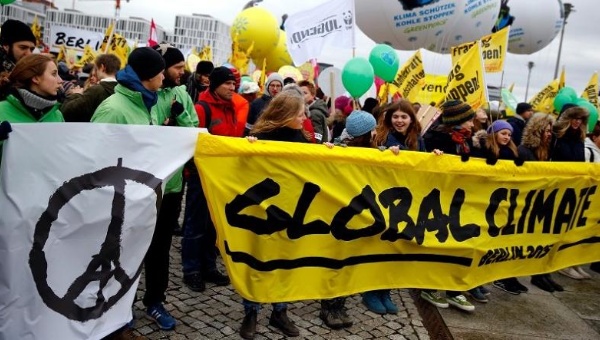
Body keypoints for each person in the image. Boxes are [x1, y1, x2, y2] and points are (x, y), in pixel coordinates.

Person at [91, 47, 170, 336]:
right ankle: (104, 322)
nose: (164, 75)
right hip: (114, 204)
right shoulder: (114, 108)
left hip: (137, 202)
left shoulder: (146, 103)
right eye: (160, 71)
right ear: (148, 75)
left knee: (131, 261)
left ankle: (121, 316)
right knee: (111, 264)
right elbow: (94, 159)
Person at [239, 88, 311, 339]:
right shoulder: (259, 136)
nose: (304, 118)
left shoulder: (303, 138)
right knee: (257, 262)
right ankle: (251, 312)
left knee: (286, 262)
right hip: (263, 212)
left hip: (291, 211)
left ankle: (280, 311)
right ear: (286, 114)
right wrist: (247, 149)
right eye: (301, 114)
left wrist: (326, 153)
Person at [181, 66, 244, 293]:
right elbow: (193, 145)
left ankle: (209, 266)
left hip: (222, 177)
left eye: (233, 83)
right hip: (201, 177)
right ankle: (191, 270)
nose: (232, 87)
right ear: (216, 84)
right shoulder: (202, 108)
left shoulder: (232, 108)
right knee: (195, 224)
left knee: (214, 225)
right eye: (227, 83)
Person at [422, 100, 477, 312]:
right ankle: (430, 287)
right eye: (469, 120)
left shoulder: (465, 141)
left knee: (459, 244)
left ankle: (454, 290)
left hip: (458, 200)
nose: (472, 124)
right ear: (457, 121)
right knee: (438, 243)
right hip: (437, 200)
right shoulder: (434, 138)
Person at [517, 112, 565, 292]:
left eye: (551, 130)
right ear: (537, 131)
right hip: (526, 203)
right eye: (546, 130)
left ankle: (541, 274)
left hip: (541, 202)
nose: (549, 134)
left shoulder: (548, 151)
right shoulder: (524, 151)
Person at [551, 105, 592, 280]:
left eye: (580, 119)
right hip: (559, 186)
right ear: (567, 119)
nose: (577, 122)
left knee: (572, 225)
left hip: (575, 187)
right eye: (574, 118)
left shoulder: (579, 138)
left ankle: (570, 261)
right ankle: (559, 261)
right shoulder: (557, 136)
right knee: (559, 225)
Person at [0, 54, 63, 161]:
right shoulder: (1, 110)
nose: (60, 80)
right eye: (54, 74)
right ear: (36, 78)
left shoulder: (57, 115)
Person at [61, 54, 121, 122]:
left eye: (97, 69)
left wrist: (76, 94)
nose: (96, 72)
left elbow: (66, 111)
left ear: (102, 67)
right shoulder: (121, 91)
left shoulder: (96, 90)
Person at [0, 19, 37, 99]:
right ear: (6, 46)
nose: (29, 54)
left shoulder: (30, 73)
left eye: (31, 49)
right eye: (23, 47)